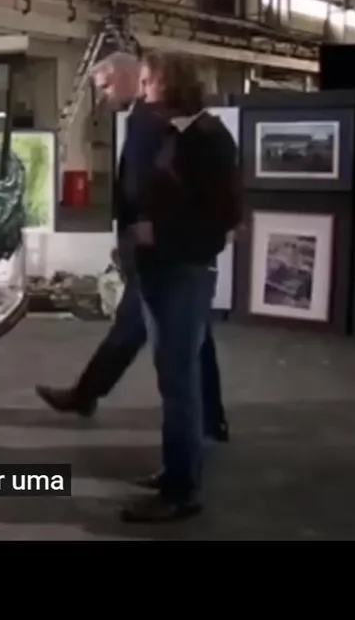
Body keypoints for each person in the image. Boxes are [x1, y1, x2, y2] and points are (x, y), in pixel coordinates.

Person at [35, 53, 229, 451]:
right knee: (178, 338)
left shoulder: (157, 121)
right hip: (166, 252)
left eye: (108, 86)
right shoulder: (168, 121)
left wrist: (140, 236)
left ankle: (188, 452)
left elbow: (147, 188)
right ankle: (208, 423)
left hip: (163, 254)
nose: (105, 96)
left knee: (159, 349)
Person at [121, 51, 242, 523]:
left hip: (183, 273)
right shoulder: (177, 134)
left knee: (179, 383)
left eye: (149, 81)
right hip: (162, 271)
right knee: (173, 378)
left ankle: (181, 490)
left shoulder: (208, 139)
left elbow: (224, 219)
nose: (142, 90)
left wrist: (159, 235)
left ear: (173, 84)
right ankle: (177, 471)